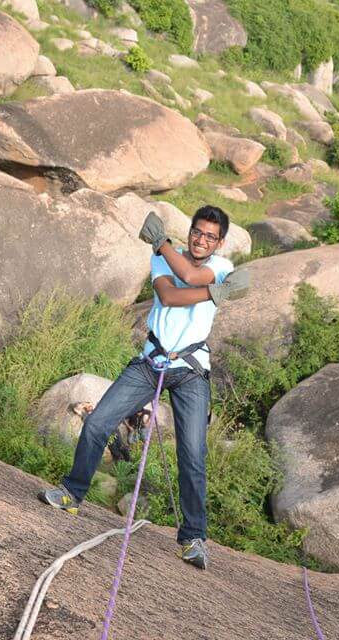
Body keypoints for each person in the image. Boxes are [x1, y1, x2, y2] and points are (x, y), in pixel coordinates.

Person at [38, 205, 250, 570]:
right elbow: (170, 294)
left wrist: (163, 245)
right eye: (197, 232)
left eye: (210, 237)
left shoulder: (221, 268)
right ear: (190, 233)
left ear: (220, 242)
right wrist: (218, 294)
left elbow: (193, 276)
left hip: (190, 371)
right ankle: (72, 494)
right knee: (97, 423)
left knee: (193, 454)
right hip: (151, 364)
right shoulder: (166, 261)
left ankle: (193, 538)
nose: (201, 240)